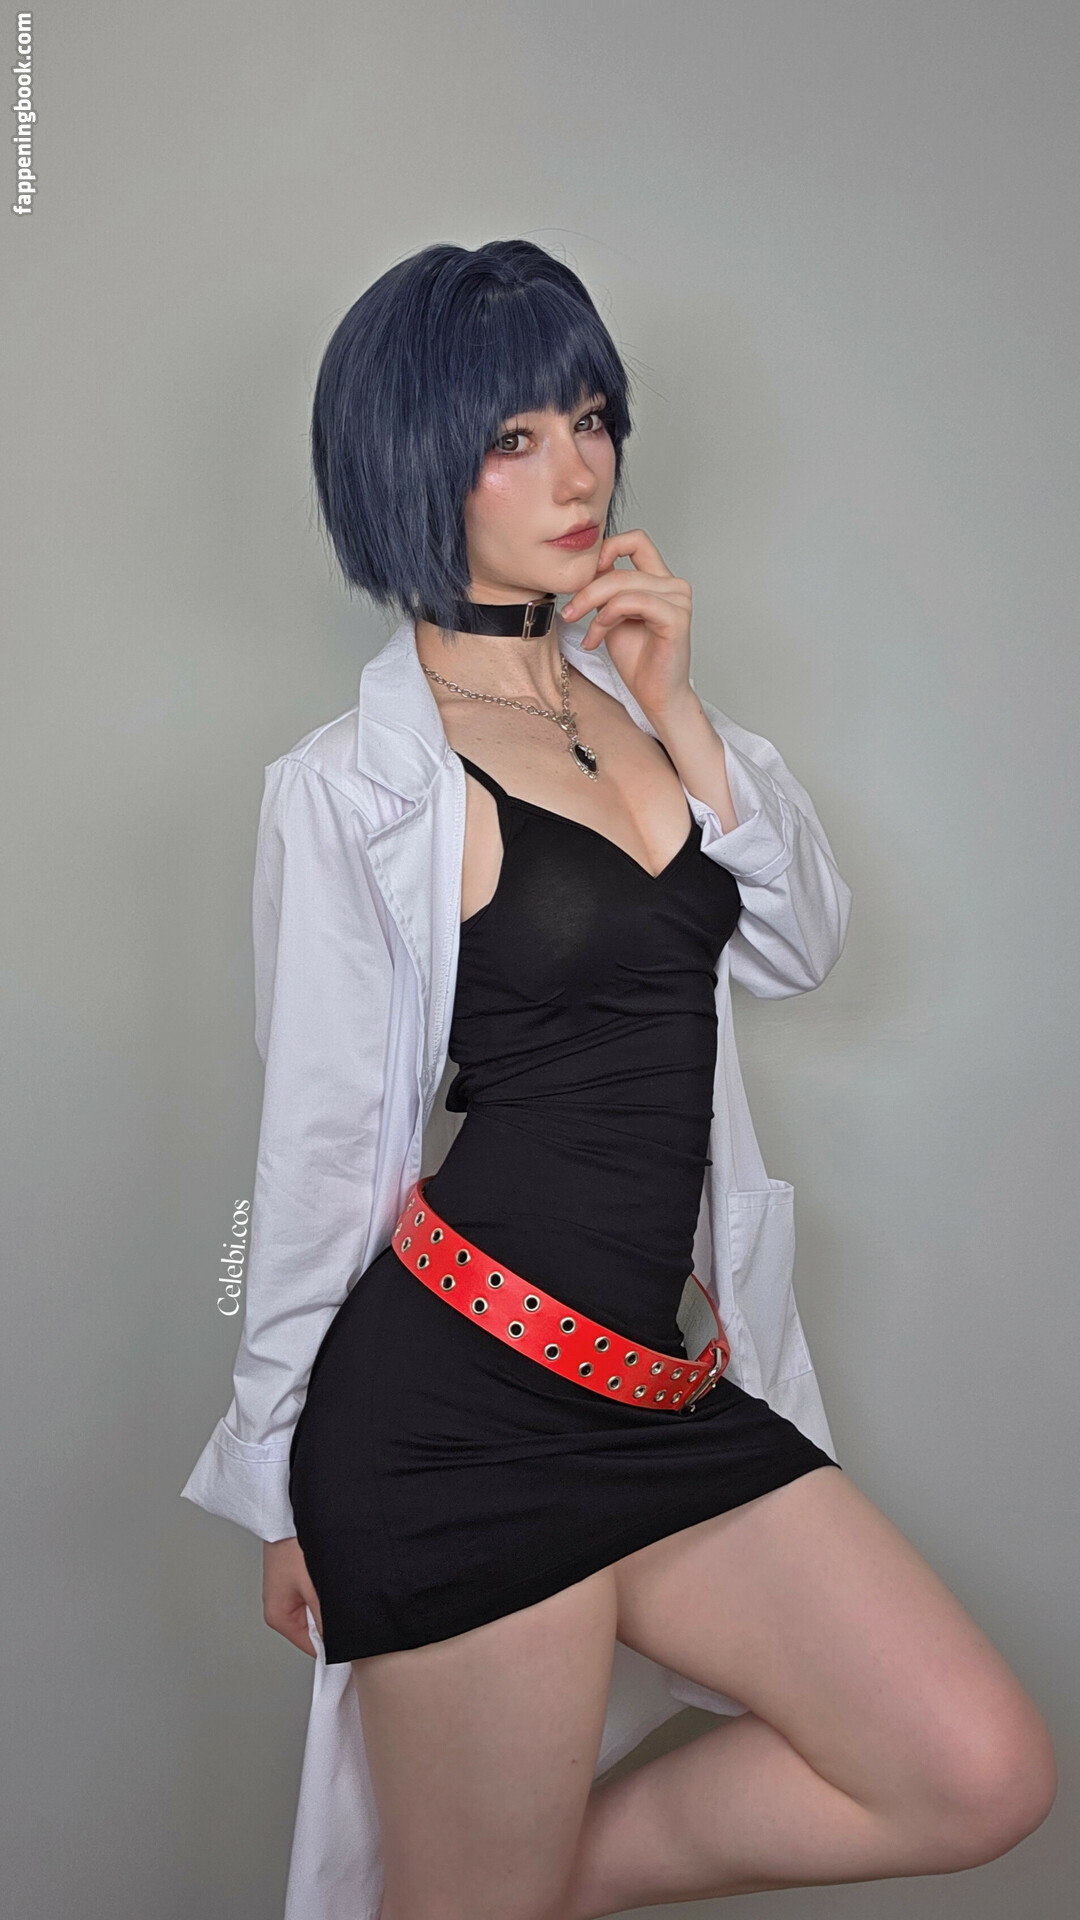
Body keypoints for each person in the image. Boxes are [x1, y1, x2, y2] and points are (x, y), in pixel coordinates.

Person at [181, 240, 1056, 1920]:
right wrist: (277, 1474)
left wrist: (682, 709)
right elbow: (315, 1152)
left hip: (660, 1396)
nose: (578, 471)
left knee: (976, 1766)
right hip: (457, 1418)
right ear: (409, 459)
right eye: (514, 437)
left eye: (590, 420)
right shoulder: (354, 788)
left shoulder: (645, 710)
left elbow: (802, 945)